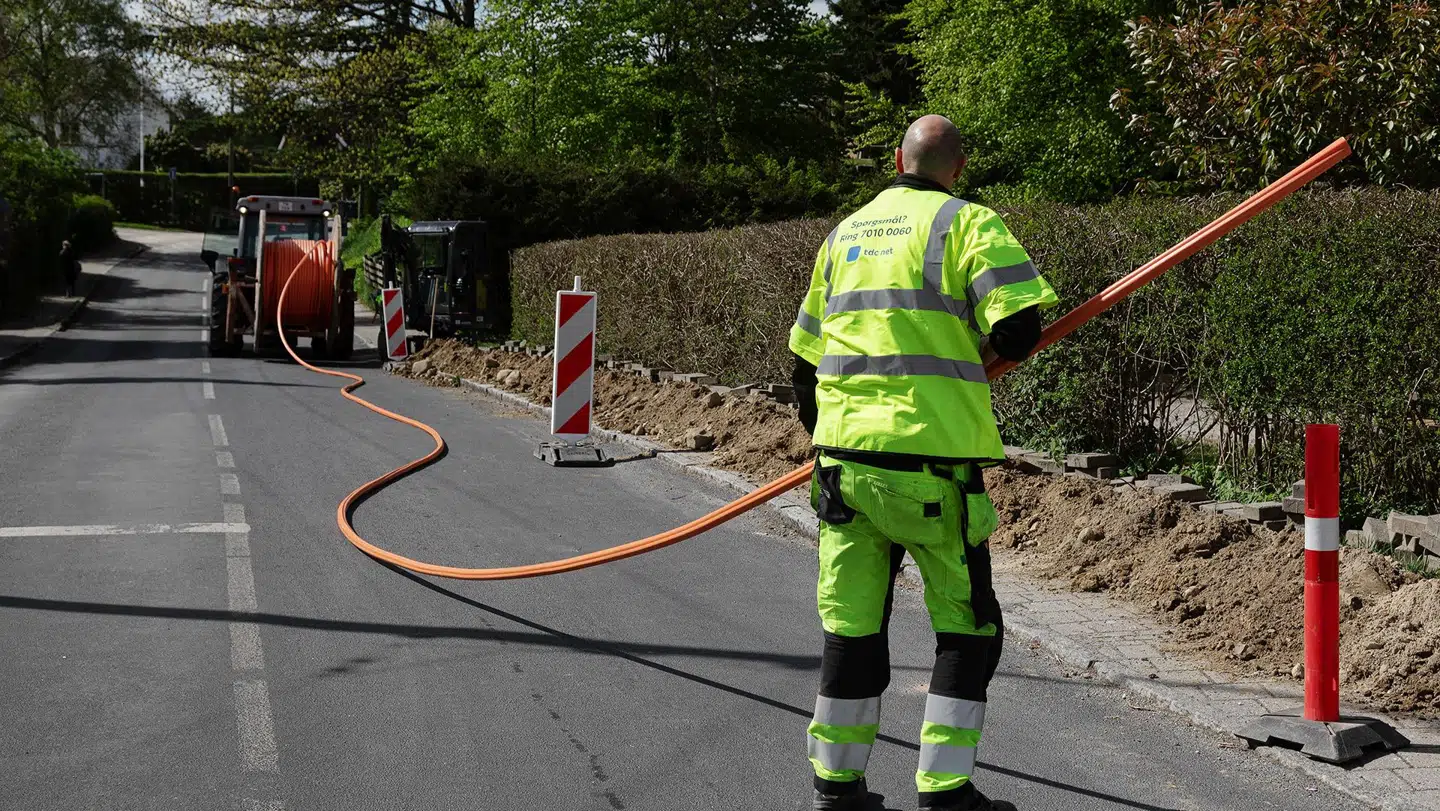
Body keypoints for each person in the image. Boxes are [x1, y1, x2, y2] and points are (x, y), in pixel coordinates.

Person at [788, 115, 1059, 811]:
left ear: (894, 158)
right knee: (969, 628)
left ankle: (836, 786)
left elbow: (803, 364)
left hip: (844, 468)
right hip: (931, 467)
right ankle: (943, 789)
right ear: (958, 169)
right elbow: (1019, 329)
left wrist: (835, 435)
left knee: (851, 626)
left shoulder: (843, 234)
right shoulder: (967, 224)